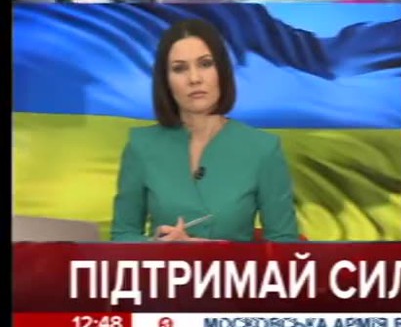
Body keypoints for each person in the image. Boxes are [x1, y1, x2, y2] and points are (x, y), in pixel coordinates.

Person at [110, 18, 301, 242]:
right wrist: (159, 247)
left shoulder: (263, 149)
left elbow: (285, 245)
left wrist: (215, 252)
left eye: (205, 64)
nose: (194, 78)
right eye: (179, 69)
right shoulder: (141, 146)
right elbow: (123, 236)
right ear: (166, 81)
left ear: (222, 71)